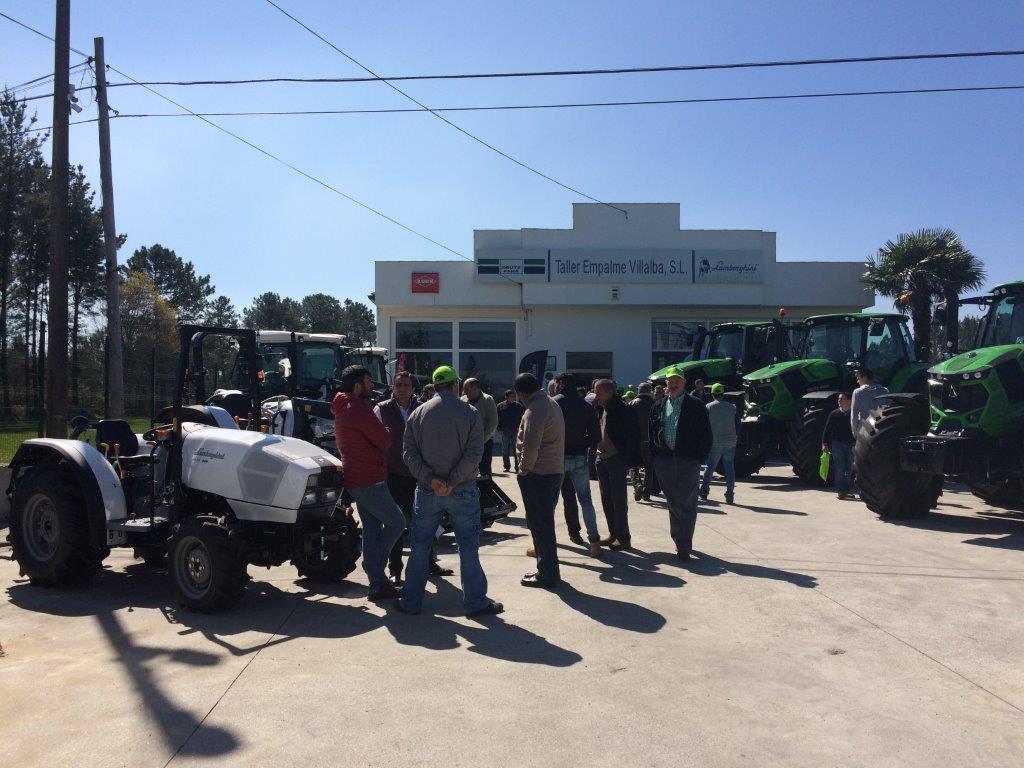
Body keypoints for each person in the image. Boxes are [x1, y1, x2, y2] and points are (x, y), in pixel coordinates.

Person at [394, 365, 502, 617]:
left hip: (427, 491)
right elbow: (475, 453)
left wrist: (432, 480)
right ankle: (475, 602)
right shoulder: (470, 413)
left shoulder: (418, 413)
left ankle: (411, 601)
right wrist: (452, 481)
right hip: (463, 490)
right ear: (455, 385)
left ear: (434, 386)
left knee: (420, 545)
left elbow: (409, 454)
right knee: (468, 546)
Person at [331, 365, 406, 602]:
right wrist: (385, 431)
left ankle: (377, 584)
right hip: (370, 479)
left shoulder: (343, 408)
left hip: (357, 478)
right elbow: (384, 440)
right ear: (357, 386)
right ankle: (374, 570)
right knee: (397, 522)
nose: (372, 386)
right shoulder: (358, 408)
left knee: (372, 530)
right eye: (368, 381)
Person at [374, 371, 451, 584]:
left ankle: (429, 563)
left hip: (420, 474)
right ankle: (395, 570)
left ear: (413, 388)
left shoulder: (424, 407)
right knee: (396, 523)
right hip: (393, 475)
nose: (402, 388)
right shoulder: (381, 410)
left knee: (425, 521)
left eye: (406, 385)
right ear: (392, 387)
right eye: (398, 384)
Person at [649, 366, 713, 561]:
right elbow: (651, 432)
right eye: (670, 381)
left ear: (684, 383)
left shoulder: (696, 405)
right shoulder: (658, 405)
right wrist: (655, 457)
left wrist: (698, 459)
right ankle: (679, 538)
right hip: (665, 461)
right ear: (666, 384)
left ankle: (683, 543)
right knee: (673, 502)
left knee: (687, 502)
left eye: (677, 380)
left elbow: (706, 435)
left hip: (688, 462)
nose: (673, 383)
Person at [515, 372, 567, 588]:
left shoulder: (534, 409)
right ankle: (550, 572)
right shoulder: (550, 403)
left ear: (520, 393)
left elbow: (530, 445)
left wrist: (524, 470)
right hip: (553, 471)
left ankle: (546, 574)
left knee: (540, 526)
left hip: (538, 474)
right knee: (545, 524)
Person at [552, 372, 602, 556]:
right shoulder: (585, 405)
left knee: (551, 501)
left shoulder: (554, 403)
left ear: (560, 383)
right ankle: (595, 542)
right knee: (586, 500)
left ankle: (543, 542)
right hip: (579, 456)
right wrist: (583, 443)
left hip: (557, 457)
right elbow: (596, 436)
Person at [593, 379, 641, 551]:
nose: (595, 396)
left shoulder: (622, 410)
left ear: (609, 392)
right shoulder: (602, 408)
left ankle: (623, 537)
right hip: (602, 459)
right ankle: (613, 534)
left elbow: (633, 436)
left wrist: (624, 459)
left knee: (618, 500)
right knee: (606, 499)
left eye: (598, 392)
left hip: (615, 460)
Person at [700, 383, 737, 504]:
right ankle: (730, 495)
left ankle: (704, 492)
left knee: (710, 468)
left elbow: (704, 426)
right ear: (723, 393)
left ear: (712, 394)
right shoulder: (732, 407)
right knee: (729, 469)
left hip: (715, 442)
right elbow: (738, 424)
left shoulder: (708, 407)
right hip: (730, 442)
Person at [461, 377, 498, 477]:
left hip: (484, 443)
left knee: (484, 471)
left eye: (466, 389)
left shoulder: (488, 400)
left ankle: (485, 492)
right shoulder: (462, 400)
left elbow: (493, 422)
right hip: (466, 443)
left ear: (475, 388)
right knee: (467, 471)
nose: (464, 391)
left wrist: (481, 440)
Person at [629, 382, 659, 500]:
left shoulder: (631, 404)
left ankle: (637, 484)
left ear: (639, 391)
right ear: (649, 391)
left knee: (633, 465)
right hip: (650, 441)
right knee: (649, 467)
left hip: (634, 441)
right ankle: (646, 492)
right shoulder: (656, 404)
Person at [822, 392, 856, 499]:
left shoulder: (853, 414)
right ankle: (841, 491)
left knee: (849, 468)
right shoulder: (834, 414)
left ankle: (847, 489)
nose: (839, 401)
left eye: (842, 399)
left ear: (849, 401)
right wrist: (824, 443)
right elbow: (827, 430)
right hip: (837, 445)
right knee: (840, 467)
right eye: (838, 399)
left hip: (851, 444)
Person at [851, 367, 890, 436]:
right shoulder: (885, 390)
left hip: (865, 431)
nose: (857, 382)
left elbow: (854, 416)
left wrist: (855, 433)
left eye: (858, 378)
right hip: (882, 429)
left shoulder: (858, 392)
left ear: (864, 377)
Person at [496, 389, 525, 473]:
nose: (513, 398)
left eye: (514, 396)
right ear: (506, 397)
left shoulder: (519, 406)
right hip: (505, 430)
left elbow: (523, 418)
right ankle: (506, 466)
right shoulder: (500, 406)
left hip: (516, 430)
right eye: (511, 397)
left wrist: (520, 428)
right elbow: (497, 418)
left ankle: (517, 466)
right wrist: (499, 429)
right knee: (505, 450)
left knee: (516, 449)